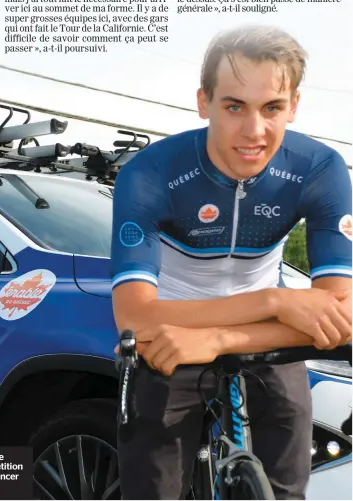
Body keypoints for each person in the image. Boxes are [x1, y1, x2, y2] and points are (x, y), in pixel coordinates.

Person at [110, 24, 352, 500]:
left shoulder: (320, 168)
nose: (254, 131)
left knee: (286, 488)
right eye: (234, 106)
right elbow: (136, 317)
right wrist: (276, 301)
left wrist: (220, 338)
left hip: (252, 330)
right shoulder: (151, 172)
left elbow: (340, 315)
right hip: (175, 331)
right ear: (204, 102)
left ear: (295, 107)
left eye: (272, 108)